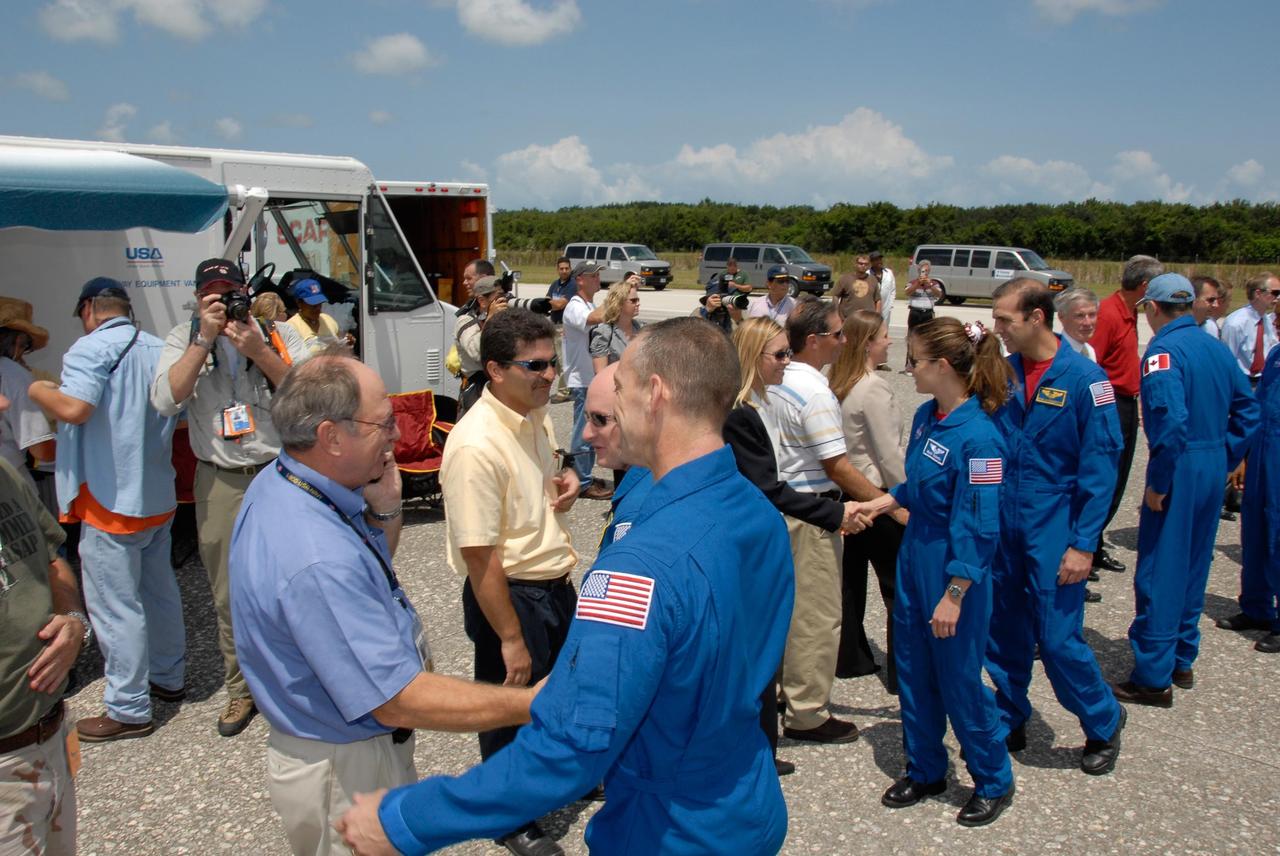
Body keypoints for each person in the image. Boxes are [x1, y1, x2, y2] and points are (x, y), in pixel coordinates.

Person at [337, 317, 796, 856]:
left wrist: (403, 818)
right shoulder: (757, 512)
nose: (589, 427)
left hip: (670, 830)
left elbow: (573, 742)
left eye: (618, 391)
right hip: (747, 802)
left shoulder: (636, 570)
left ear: (655, 394)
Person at [228, 353, 542, 855]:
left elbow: (370, 572)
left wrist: (389, 506)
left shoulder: (290, 482)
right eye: (385, 422)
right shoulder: (315, 555)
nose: (398, 436)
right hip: (346, 765)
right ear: (331, 437)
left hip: (349, 748)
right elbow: (395, 697)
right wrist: (531, 704)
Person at [853, 317, 1015, 827]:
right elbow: (917, 486)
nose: (909, 369)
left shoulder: (981, 438)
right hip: (915, 556)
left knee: (960, 680)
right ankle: (926, 768)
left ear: (943, 366)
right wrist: (881, 503)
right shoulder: (928, 416)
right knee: (915, 674)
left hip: (954, 568)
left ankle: (993, 779)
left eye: (916, 361)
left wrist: (957, 591)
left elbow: (981, 524)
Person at [440, 308, 581, 856]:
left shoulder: (534, 416)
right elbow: (481, 559)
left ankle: (554, 781)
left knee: (553, 697)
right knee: (506, 709)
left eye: (553, 363)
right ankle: (508, 817)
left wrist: (564, 481)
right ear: (495, 370)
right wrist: (511, 638)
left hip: (552, 583)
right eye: (536, 366)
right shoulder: (477, 445)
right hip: (511, 595)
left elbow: (541, 479)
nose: (550, 375)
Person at [150, 257, 306, 738]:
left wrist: (259, 350)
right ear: (199, 299)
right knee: (227, 588)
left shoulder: (275, 333)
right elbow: (165, 398)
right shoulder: (184, 336)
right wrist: (203, 339)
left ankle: (300, 678)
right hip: (220, 476)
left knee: (297, 577)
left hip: (281, 469)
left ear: (244, 290)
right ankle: (241, 689)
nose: (222, 303)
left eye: (229, 292)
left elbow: (308, 395)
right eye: (211, 296)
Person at [30, 277, 184, 743]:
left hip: (108, 497)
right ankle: (168, 677)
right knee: (159, 592)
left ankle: (129, 708)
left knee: (116, 607)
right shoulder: (159, 347)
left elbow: (74, 409)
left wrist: (38, 390)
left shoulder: (88, 349)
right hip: (157, 493)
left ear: (89, 308)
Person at [985, 279, 1126, 775]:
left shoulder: (1087, 380)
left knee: (1060, 638)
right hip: (1005, 524)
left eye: (1005, 320)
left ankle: (1103, 720)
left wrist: (1084, 544)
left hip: (1055, 525)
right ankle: (1010, 714)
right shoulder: (1000, 375)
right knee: (1003, 630)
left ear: (1037, 318)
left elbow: (1101, 467)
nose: (998, 328)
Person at [723, 316, 865, 775]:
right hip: (792, 515)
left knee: (780, 621)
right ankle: (797, 719)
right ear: (753, 357)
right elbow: (768, 485)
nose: (788, 362)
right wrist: (837, 513)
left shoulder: (762, 398)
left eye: (789, 352)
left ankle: (772, 725)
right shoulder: (742, 412)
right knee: (814, 617)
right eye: (780, 355)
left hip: (779, 519)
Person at [1114, 274, 1259, 707]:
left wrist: (1160, 483)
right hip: (1211, 462)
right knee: (1195, 564)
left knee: (1162, 568)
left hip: (1180, 465)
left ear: (1153, 308)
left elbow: (1171, 422)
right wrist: (1225, 457)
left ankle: (1153, 675)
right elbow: (1247, 411)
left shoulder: (1162, 352)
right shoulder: (1213, 347)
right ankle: (1181, 657)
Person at [766, 297, 886, 744]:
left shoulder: (775, 380)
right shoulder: (815, 391)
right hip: (811, 511)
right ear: (813, 341)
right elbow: (836, 465)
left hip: (780, 506)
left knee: (782, 607)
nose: (845, 341)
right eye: (839, 334)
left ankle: (780, 689)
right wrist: (888, 503)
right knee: (816, 615)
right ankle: (808, 713)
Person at [0, 418, 86, 855]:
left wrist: (72, 619)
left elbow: (52, 560)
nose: (2, 403)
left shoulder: (5, 472)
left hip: (50, 735)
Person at [828, 309, 906, 690]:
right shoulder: (872, 387)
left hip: (848, 493)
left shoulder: (838, 381)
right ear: (868, 343)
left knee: (850, 582)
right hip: (877, 493)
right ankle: (902, 672)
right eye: (885, 336)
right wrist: (906, 500)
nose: (890, 342)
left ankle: (850, 657)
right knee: (895, 587)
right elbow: (889, 454)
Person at [1090, 255, 1164, 574]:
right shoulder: (1108, 313)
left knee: (1118, 480)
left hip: (1127, 402)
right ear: (1146, 285)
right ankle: (1084, 546)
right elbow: (1092, 364)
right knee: (1105, 477)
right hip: (1111, 403)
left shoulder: (1131, 312)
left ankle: (1094, 544)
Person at [1053, 285, 1106, 601]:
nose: (1088, 322)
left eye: (1092, 315)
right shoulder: (1064, 355)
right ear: (1061, 318)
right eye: (1080, 316)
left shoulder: (1091, 353)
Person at [1234, 327, 1280, 653]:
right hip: (1263, 450)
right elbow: (1258, 408)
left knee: (1278, 534)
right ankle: (1256, 606)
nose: (1276, 321)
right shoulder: (1276, 355)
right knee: (1255, 529)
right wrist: (1244, 455)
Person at [563, 261, 610, 500]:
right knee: (583, 431)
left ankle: (585, 476)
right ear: (579, 279)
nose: (597, 279)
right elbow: (594, 318)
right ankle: (580, 481)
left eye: (597, 275)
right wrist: (619, 296)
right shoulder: (575, 306)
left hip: (591, 376)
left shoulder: (589, 303)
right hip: (581, 378)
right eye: (592, 276)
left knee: (592, 429)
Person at [0, 298, 55, 493]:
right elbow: (40, 449)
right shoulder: (12, 374)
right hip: (9, 486)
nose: (23, 354)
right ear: (14, 341)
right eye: (24, 346)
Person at [454, 275, 509, 415]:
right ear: (482, 301)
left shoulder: (504, 319)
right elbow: (476, 352)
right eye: (498, 297)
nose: (503, 301)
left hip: (501, 386)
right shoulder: (464, 320)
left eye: (504, 296)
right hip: (477, 390)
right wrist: (490, 319)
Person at [1220, 271, 1279, 387]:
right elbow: (1228, 360)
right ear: (1258, 293)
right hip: (1243, 381)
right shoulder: (1236, 323)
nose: (1277, 298)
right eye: (1275, 293)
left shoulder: (1265, 319)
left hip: (1263, 380)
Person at [589, 276, 643, 372]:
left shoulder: (642, 329)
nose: (638, 303)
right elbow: (601, 374)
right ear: (619, 303)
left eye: (638, 300)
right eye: (633, 301)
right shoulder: (603, 334)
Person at [285, 277, 345, 356]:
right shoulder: (291, 327)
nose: (318, 309)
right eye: (313, 305)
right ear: (299, 303)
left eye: (319, 304)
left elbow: (340, 342)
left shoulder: (328, 320)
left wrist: (346, 342)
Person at [902, 261, 942, 372]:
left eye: (926, 271)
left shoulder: (934, 283)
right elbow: (907, 292)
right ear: (918, 271)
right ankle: (910, 364)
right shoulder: (912, 282)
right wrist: (917, 285)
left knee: (927, 339)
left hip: (927, 313)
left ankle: (925, 364)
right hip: (915, 312)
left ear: (929, 271)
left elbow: (939, 294)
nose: (924, 273)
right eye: (922, 270)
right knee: (912, 338)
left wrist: (930, 285)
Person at [546, 256, 576, 403]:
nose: (564, 271)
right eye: (561, 268)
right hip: (553, 325)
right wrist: (552, 303)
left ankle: (563, 392)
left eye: (566, 268)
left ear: (570, 268)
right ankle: (570, 386)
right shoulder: (555, 284)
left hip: (565, 327)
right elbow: (546, 302)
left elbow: (559, 305)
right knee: (556, 361)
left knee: (564, 360)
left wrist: (552, 303)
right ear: (557, 270)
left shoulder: (572, 285)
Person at [830, 254, 881, 320]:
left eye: (866, 264)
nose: (863, 266)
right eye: (860, 263)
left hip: (868, 321)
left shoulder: (873, 280)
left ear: (869, 266)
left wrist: (877, 317)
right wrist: (836, 314)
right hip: (847, 319)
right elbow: (835, 296)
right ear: (855, 264)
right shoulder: (845, 279)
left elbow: (878, 300)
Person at [870, 251, 897, 341]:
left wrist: (891, 304)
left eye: (880, 259)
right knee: (871, 329)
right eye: (876, 260)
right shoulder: (867, 273)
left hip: (886, 305)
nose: (879, 261)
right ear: (872, 262)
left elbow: (893, 289)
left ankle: (882, 348)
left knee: (884, 329)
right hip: (871, 305)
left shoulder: (889, 272)